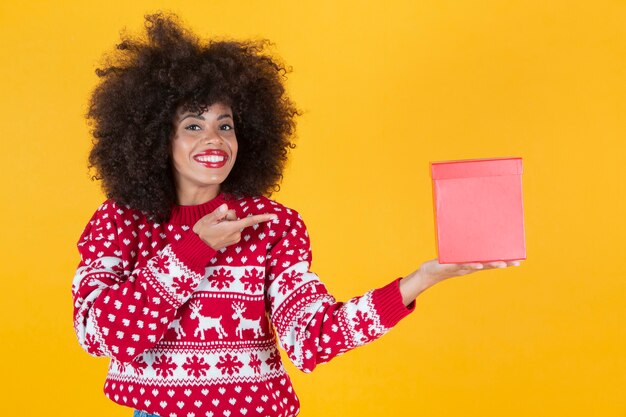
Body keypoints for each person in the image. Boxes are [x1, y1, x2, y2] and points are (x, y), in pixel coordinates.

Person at [72, 13, 520, 417]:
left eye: (224, 125)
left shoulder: (272, 223)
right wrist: (193, 249)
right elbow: (99, 335)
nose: (214, 139)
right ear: (156, 139)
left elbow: (310, 338)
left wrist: (420, 280)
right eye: (193, 126)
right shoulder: (120, 221)